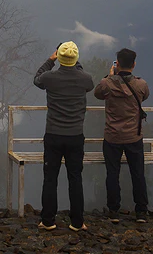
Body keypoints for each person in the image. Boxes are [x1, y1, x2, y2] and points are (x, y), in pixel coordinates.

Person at [33, 41, 94, 231]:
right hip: (75, 135)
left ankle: (48, 220)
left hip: (53, 134)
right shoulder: (86, 78)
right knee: (75, 178)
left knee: (50, 178)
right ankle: (77, 222)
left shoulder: (50, 78)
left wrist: (50, 60)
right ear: (76, 59)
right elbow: (86, 81)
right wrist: (75, 63)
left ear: (58, 57)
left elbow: (37, 79)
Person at [94, 47, 150, 223]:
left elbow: (97, 94)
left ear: (117, 63)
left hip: (112, 137)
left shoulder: (107, 84)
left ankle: (113, 211)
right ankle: (141, 211)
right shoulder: (141, 85)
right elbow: (145, 97)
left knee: (112, 173)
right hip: (134, 136)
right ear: (134, 64)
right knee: (138, 173)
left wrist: (110, 76)